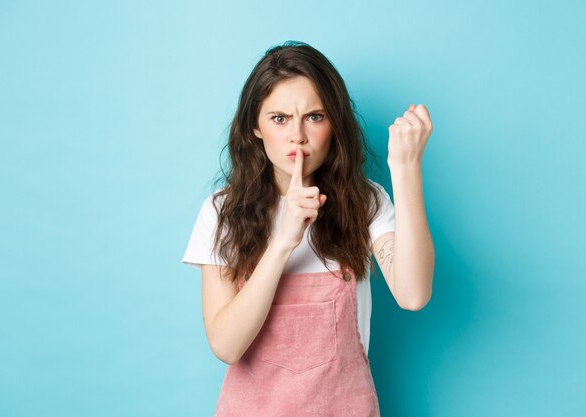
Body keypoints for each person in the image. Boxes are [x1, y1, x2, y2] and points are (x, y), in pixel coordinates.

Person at [182, 40, 435, 416]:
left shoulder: (364, 203)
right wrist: (283, 241)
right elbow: (226, 345)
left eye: (314, 116)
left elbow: (413, 295)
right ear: (255, 126)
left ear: (334, 124)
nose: (297, 135)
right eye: (279, 118)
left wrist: (405, 168)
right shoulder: (222, 211)